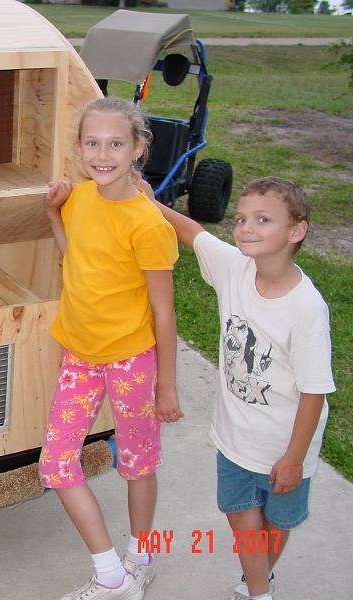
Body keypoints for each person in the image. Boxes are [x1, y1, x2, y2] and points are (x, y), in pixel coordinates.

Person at [152, 177, 335, 600]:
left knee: (277, 524)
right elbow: (193, 233)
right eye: (240, 218)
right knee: (241, 518)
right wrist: (149, 199)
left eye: (262, 219)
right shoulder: (236, 267)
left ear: (296, 231)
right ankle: (258, 591)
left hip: (286, 446)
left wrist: (292, 458)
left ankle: (259, 579)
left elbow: (313, 393)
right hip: (235, 439)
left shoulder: (306, 309)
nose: (245, 227)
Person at [39, 96, 183, 600]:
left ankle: (140, 559)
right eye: (93, 143)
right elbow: (75, 258)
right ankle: (110, 573)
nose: (103, 154)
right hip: (80, 354)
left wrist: (166, 383)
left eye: (116, 143)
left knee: (138, 463)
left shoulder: (148, 224)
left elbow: (164, 312)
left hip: (132, 361)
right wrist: (54, 214)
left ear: (138, 148)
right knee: (56, 464)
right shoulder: (79, 197)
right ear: (79, 148)